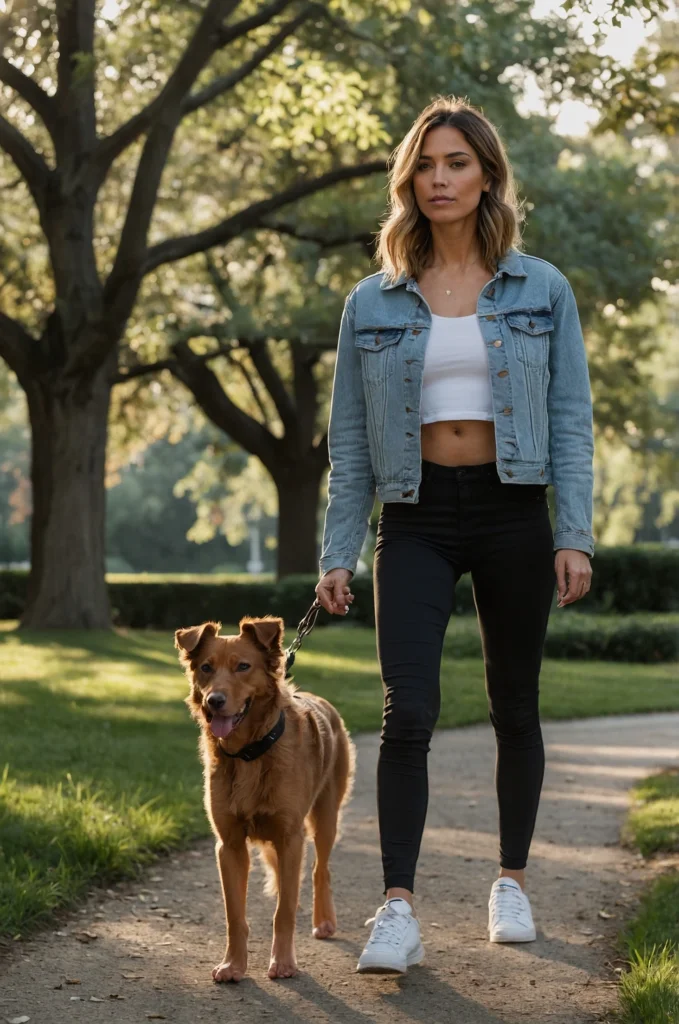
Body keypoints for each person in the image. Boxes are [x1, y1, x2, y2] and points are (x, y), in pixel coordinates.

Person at [314, 96, 594, 975]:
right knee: (410, 712)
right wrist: (337, 550)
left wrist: (573, 533)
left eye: (456, 163)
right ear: (409, 180)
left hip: (514, 511)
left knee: (515, 705)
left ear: (485, 176)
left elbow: (570, 421)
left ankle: (509, 880)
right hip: (417, 514)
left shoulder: (541, 288)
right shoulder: (373, 300)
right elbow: (351, 440)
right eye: (426, 165)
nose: (439, 178)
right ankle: (395, 905)